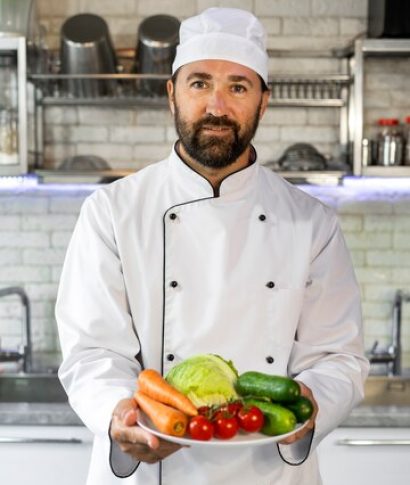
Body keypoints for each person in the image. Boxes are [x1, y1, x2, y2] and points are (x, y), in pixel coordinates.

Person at [55, 7, 369, 485]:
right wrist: (117, 412)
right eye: (199, 83)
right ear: (172, 94)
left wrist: (311, 400)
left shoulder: (312, 222)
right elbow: (92, 350)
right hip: (149, 468)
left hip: (270, 473)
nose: (217, 106)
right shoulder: (112, 211)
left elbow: (338, 356)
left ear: (264, 102)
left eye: (238, 87)